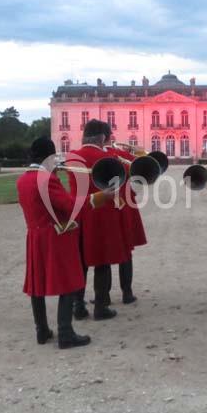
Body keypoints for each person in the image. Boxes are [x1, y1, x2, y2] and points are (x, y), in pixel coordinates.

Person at [16, 137, 90, 349]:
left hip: (35, 235)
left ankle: (42, 330)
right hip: (54, 236)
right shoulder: (46, 179)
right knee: (69, 282)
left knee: (36, 284)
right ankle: (65, 333)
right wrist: (93, 198)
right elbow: (68, 207)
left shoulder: (23, 179)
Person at [67, 120, 133, 320]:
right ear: (103, 137)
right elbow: (127, 178)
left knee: (80, 263)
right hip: (102, 214)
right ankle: (101, 306)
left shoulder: (72, 157)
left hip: (78, 213)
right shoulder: (109, 157)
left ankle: (78, 305)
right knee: (102, 263)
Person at [105, 142, 146, 305]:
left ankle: (103, 295)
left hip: (103, 207)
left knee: (105, 253)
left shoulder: (91, 156)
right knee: (126, 250)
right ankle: (127, 293)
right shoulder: (118, 154)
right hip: (124, 205)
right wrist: (139, 151)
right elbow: (142, 167)